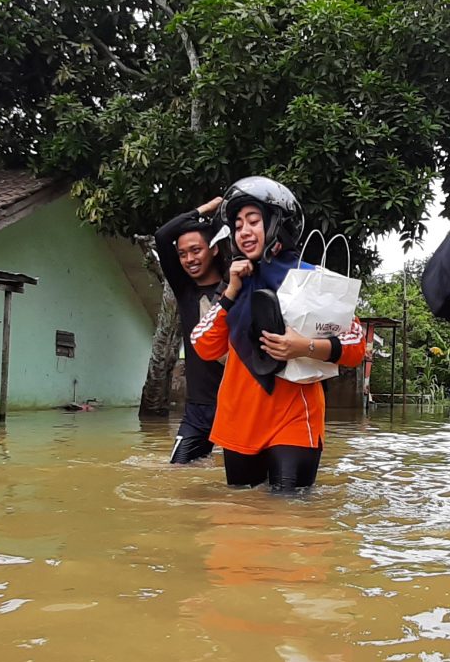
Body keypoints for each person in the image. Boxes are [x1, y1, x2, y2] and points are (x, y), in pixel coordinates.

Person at [192, 176, 369, 493]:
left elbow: (357, 344)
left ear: (276, 224)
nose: (243, 231)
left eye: (253, 221)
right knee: (242, 526)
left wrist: (303, 346)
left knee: (290, 524)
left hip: (294, 421)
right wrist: (231, 291)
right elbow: (203, 345)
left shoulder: (313, 280)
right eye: (238, 224)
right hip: (238, 421)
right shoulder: (233, 284)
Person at [153, 196, 228, 463]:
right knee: (178, 472)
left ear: (214, 249)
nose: (189, 259)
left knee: (242, 487)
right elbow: (163, 236)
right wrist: (204, 209)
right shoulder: (185, 291)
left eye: (196, 250)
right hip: (197, 408)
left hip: (236, 403)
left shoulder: (235, 286)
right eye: (183, 254)